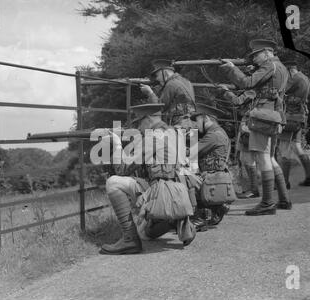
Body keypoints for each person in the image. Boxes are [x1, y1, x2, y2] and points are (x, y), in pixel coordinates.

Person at [98, 104, 196, 255]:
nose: (138, 128)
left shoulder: (153, 136)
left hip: (165, 192)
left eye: (138, 123)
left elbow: (122, 169)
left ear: (148, 119)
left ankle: (129, 239)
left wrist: (117, 143)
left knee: (113, 182)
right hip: (181, 194)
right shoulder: (175, 132)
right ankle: (172, 220)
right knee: (144, 233)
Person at [220, 39, 292, 215]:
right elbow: (263, 85)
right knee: (270, 158)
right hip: (273, 116)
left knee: (262, 158)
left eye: (256, 55)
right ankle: (284, 200)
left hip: (262, 116)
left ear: (268, 53)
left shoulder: (269, 65)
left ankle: (267, 203)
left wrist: (231, 68)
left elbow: (247, 83)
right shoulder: (280, 67)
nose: (254, 59)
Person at [189, 103, 231, 227]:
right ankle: (216, 208)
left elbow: (190, 152)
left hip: (211, 178)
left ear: (205, 118)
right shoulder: (219, 131)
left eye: (196, 121)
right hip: (216, 177)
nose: (195, 125)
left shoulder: (213, 135)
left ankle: (201, 216)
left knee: (185, 176)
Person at [277, 60, 310, 188]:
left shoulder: (295, 78)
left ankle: (284, 182)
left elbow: (281, 89)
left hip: (290, 117)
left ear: (289, 70)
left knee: (284, 149)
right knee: (297, 147)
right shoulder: (305, 78)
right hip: (299, 117)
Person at [219, 86, 260, 199]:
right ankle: (252, 188)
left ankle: (254, 190)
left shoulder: (253, 89)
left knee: (248, 160)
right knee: (244, 159)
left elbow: (237, 102)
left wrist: (226, 91)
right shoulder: (252, 89)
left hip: (249, 125)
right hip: (247, 124)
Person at [140, 59, 196, 129]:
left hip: (178, 125)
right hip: (191, 123)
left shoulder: (171, 84)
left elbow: (159, 108)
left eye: (157, 75)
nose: (157, 79)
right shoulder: (186, 81)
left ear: (165, 73)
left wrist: (150, 93)